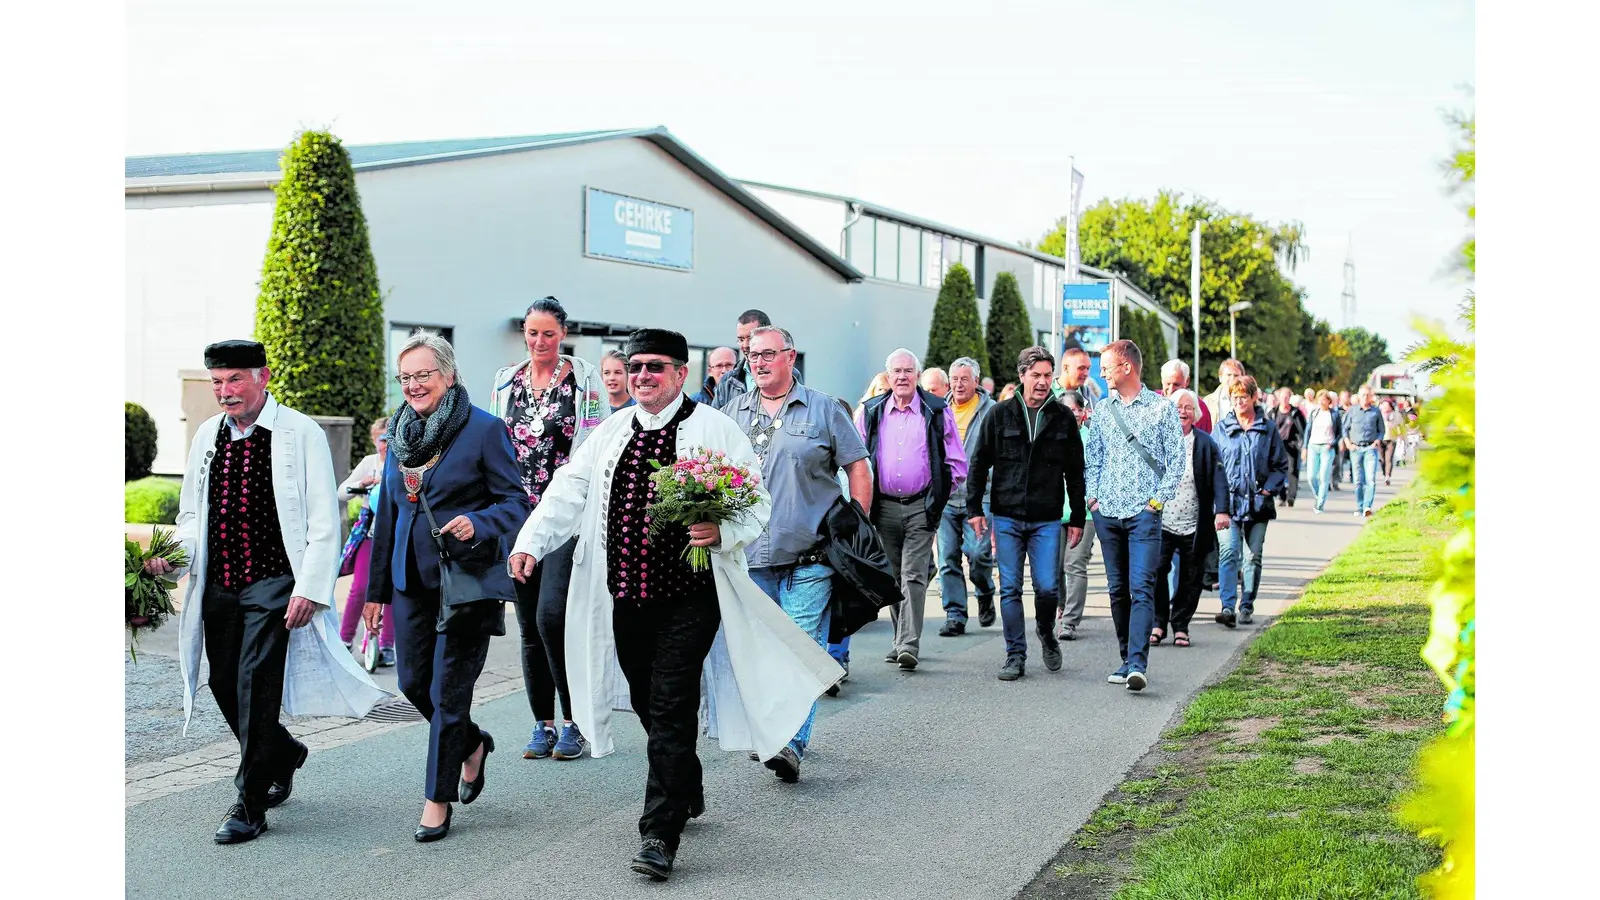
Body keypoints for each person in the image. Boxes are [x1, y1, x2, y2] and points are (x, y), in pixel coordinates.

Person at [509, 328, 839, 882]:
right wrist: (530, 541)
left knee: (669, 704)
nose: (641, 377)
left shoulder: (715, 429)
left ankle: (659, 832)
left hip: (691, 599)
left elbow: (755, 499)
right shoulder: (611, 432)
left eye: (654, 368)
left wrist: (722, 527)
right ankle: (686, 782)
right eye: (635, 367)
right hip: (626, 597)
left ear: (681, 373)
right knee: (644, 696)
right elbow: (569, 488)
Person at [154, 340, 386, 844]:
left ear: (263, 376)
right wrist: (171, 559)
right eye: (217, 382)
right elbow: (191, 515)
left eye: (235, 379)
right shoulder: (207, 437)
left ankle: (250, 802)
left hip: (275, 580)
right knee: (220, 682)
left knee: (256, 685)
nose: (225, 392)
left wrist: (311, 587)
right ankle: (283, 752)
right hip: (219, 582)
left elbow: (326, 516)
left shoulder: (298, 432)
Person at [363, 330, 530, 842]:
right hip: (411, 581)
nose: (414, 385)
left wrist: (477, 523)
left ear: (449, 376)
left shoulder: (484, 430)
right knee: (413, 683)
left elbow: (516, 502)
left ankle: (436, 799)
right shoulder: (398, 436)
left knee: (447, 692)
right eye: (406, 377)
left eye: (423, 375)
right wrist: (376, 592)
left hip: (465, 583)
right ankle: (473, 743)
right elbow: (389, 514)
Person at [726, 325, 872, 778]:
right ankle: (774, 730)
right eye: (752, 355)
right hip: (751, 558)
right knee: (765, 652)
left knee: (800, 649)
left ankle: (790, 742)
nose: (759, 362)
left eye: (768, 354)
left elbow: (858, 467)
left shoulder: (824, 408)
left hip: (811, 556)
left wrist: (855, 527)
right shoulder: (733, 412)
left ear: (791, 357)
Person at [488, 297, 608, 762]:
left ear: (563, 334)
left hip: (563, 517)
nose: (540, 342)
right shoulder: (506, 381)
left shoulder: (584, 380)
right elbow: (495, 442)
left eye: (549, 334)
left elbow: (593, 442)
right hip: (517, 516)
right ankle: (543, 722)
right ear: (524, 332)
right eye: (533, 333)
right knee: (528, 626)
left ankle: (576, 721)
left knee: (552, 617)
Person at [966, 346, 1085, 681]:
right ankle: (1015, 654)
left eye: (1048, 375)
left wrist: (1076, 516)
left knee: (1047, 587)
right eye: (1036, 375)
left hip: (1048, 518)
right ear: (1022, 377)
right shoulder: (1000, 414)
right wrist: (975, 508)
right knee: (1011, 588)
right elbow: (978, 464)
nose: (1043, 382)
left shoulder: (1062, 417)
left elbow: (1075, 471)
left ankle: (1046, 632)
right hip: (1006, 515)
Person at [855, 348, 967, 671]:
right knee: (891, 576)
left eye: (908, 371)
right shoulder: (872, 411)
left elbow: (957, 463)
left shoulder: (935, 411)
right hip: (884, 507)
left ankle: (908, 643)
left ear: (917, 376)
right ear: (888, 378)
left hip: (921, 505)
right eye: (896, 372)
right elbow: (858, 457)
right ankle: (899, 637)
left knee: (913, 574)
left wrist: (938, 497)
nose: (902, 377)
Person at [1083, 339, 1184, 692]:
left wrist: (1157, 502)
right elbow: (1092, 457)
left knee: (1142, 587)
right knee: (1117, 590)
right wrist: (1092, 499)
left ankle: (1138, 665)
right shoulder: (1102, 409)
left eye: (1107, 365)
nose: (1102, 372)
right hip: (1107, 513)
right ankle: (1126, 658)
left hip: (1144, 514)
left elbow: (1176, 460)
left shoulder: (1161, 409)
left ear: (1126, 366)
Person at [1149, 390, 1230, 648]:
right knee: (1156, 571)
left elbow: (1219, 478)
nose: (1182, 412)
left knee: (1191, 577)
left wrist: (1222, 510)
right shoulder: (1158, 441)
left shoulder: (1205, 443)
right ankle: (1158, 622)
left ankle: (1181, 625)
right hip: (1161, 521)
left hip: (1194, 523)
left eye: (1187, 408)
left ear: (1195, 414)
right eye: (1177, 407)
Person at [1212, 375, 1291, 627]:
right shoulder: (1222, 429)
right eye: (1234, 398)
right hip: (1228, 504)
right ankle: (1227, 607)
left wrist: (1268, 489)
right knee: (1228, 553)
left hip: (1258, 504)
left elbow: (1280, 465)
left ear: (1254, 398)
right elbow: (1214, 465)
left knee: (1252, 556)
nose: (1238, 402)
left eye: (1243, 397)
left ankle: (1246, 604)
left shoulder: (1267, 429)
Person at [937, 357, 997, 636]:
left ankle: (984, 591)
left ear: (976, 381)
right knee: (947, 557)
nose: (959, 384)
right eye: (955, 378)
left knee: (978, 553)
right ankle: (955, 614)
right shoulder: (938, 409)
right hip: (946, 498)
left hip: (980, 497)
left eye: (965, 379)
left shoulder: (992, 411)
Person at [337, 416, 395, 666]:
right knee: (360, 587)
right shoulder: (369, 463)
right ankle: (345, 640)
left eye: (388, 439)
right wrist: (361, 485)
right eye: (380, 440)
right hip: (370, 535)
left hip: (394, 537)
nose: (384, 445)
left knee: (392, 592)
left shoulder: (402, 462)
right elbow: (342, 491)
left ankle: (387, 645)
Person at [1053, 346, 1102, 641]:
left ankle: (1070, 620)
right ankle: (1061, 606)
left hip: (1082, 512)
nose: (1071, 416)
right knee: (1054, 566)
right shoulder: (1051, 437)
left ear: (1084, 413)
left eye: (1075, 411)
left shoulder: (1092, 436)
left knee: (1075, 564)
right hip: (1053, 509)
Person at [712, 308, 771, 409]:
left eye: (750, 338)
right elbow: (715, 421)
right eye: (741, 339)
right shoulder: (728, 381)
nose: (745, 345)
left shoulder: (788, 375)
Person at [1341, 384, 1386, 518]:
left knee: (1370, 479)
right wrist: (1347, 443)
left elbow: (1381, 430)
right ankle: (1360, 507)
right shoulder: (1352, 411)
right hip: (1355, 448)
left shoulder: (1376, 411)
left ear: (1371, 396)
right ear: (1359, 396)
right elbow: (1345, 429)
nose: (1365, 397)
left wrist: (1378, 440)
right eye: (1363, 395)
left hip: (1370, 448)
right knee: (1358, 481)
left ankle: (1367, 506)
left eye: (1368, 395)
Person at [1269, 387, 1306, 508]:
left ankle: (1291, 497)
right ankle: (1281, 496)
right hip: (1277, 446)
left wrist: (1302, 445)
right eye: (1282, 397)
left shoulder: (1295, 412)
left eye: (1287, 397)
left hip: (1292, 445)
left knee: (1292, 471)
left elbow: (1303, 429)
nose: (1284, 399)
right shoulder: (1273, 413)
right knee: (1278, 470)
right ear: (1279, 398)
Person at [1304, 391, 1339, 514]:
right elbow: (1308, 430)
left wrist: (1333, 443)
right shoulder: (1314, 413)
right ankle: (1318, 495)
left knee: (1323, 477)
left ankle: (1320, 505)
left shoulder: (1334, 414)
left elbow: (1339, 432)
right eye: (1320, 400)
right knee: (1311, 476)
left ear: (1329, 401)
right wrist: (1305, 447)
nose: (1321, 402)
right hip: (1313, 445)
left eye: (1324, 400)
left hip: (1327, 447)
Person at [1160, 359, 1212, 434]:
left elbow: (1205, 440)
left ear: (1187, 381)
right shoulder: (1151, 403)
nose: (1171, 389)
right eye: (1168, 384)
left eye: (1176, 384)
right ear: (1162, 381)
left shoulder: (1200, 407)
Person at [601, 349, 634, 414]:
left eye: (617, 372)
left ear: (628, 374)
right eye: (607, 373)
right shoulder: (595, 410)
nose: (612, 378)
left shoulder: (638, 408)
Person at [1380, 399, 1403, 486]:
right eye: (1384, 406)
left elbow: (1401, 425)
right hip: (1381, 439)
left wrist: (1400, 435)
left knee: (1388, 459)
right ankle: (1384, 473)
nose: (1385, 408)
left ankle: (1387, 476)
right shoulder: (1379, 414)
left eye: (1387, 406)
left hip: (1391, 439)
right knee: (1382, 459)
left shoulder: (1396, 415)